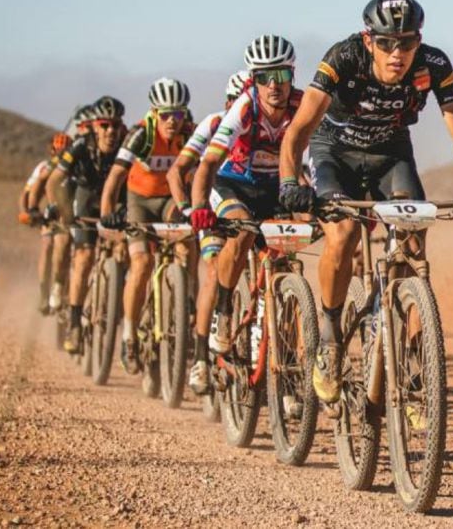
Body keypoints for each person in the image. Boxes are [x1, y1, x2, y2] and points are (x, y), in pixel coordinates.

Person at [277, 0, 453, 404]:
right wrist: (290, 182)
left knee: (414, 238)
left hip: (390, 152)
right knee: (344, 233)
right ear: (369, 41)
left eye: (407, 42)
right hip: (335, 151)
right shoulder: (343, 57)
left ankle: (415, 360)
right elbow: (298, 130)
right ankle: (330, 339)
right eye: (386, 42)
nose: (396, 52)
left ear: (419, 41)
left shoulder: (434, 65)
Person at [188, 36, 303, 392]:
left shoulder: (302, 106)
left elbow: (314, 157)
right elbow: (207, 163)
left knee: (289, 258)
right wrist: (198, 209)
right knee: (242, 234)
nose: (275, 84)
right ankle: (222, 312)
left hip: (274, 189)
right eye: (266, 76)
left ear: (292, 75)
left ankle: (289, 364)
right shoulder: (243, 108)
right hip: (233, 185)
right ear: (254, 80)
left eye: (282, 74)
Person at [100, 78, 193, 373]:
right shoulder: (141, 135)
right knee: (141, 262)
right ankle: (128, 336)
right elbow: (115, 177)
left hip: (168, 201)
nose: (172, 121)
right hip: (139, 201)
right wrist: (107, 214)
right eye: (166, 114)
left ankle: (184, 309)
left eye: (178, 114)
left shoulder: (188, 133)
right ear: (154, 113)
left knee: (187, 247)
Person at [166, 70, 248, 394]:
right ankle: (200, 357)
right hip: (213, 204)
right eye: (233, 102)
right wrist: (189, 208)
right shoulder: (215, 124)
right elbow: (179, 170)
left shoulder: (270, 123)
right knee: (213, 270)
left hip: (250, 202)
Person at [44, 97, 125, 353]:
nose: (110, 131)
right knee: (84, 256)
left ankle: (119, 311)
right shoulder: (79, 146)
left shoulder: (126, 145)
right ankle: (76, 323)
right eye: (104, 125)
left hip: (115, 200)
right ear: (94, 127)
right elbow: (54, 181)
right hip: (86, 197)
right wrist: (58, 207)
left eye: (115, 125)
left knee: (126, 252)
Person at [18, 133, 72, 314]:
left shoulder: (76, 162)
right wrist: (30, 211)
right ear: (52, 150)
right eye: (58, 149)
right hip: (52, 215)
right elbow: (28, 192)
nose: (62, 153)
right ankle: (44, 293)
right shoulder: (45, 167)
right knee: (48, 244)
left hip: (73, 214)